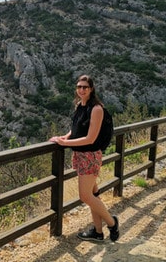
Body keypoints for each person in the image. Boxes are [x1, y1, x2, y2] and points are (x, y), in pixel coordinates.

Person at [49, 74, 119, 242]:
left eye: (85, 87)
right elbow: (76, 130)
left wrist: (64, 144)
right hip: (80, 155)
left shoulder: (96, 109)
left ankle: (112, 223)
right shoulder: (80, 105)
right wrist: (64, 137)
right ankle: (97, 232)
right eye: (79, 87)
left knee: (85, 196)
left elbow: (90, 138)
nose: (81, 90)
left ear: (91, 89)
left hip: (90, 156)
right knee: (93, 194)